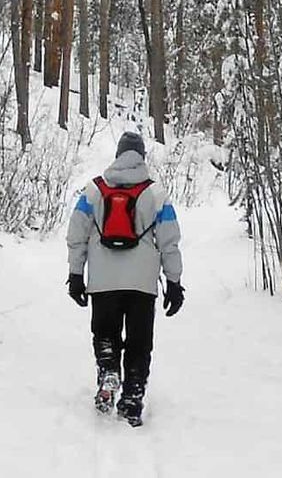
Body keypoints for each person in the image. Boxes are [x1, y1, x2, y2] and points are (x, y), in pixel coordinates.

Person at [65, 130, 184, 426]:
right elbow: (169, 241)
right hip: (142, 284)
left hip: (103, 281)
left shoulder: (94, 190)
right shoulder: (156, 193)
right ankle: (132, 398)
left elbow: (76, 235)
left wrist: (76, 274)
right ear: (142, 156)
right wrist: (174, 282)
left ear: (118, 155)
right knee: (139, 343)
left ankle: (108, 371)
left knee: (105, 333)